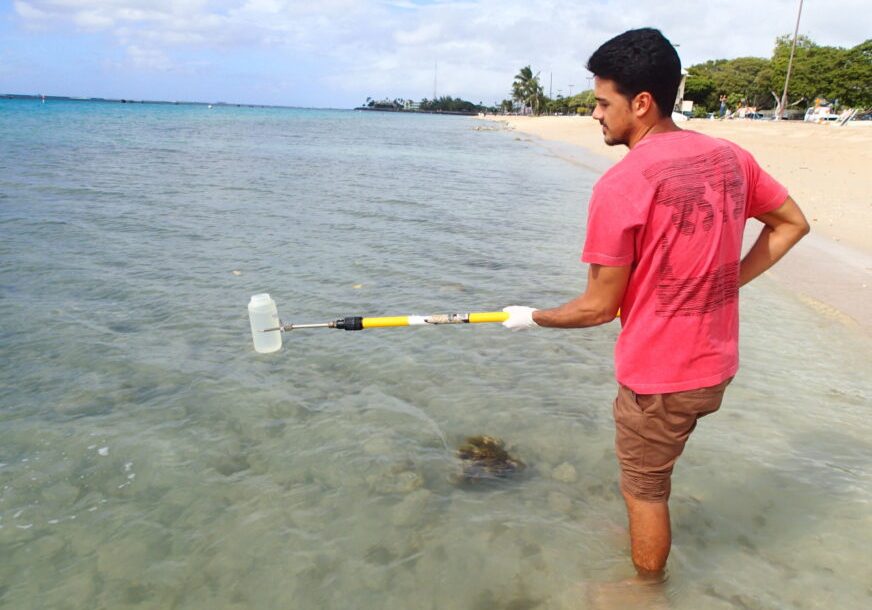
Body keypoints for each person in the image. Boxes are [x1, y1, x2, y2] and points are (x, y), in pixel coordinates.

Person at [501, 28, 809, 581]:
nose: (594, 114)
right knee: (650, 481)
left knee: (644, 492)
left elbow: (597, 308)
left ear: (641, 103)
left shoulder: (622, 184)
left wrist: (531, 317)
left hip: (660, 379)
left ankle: (644, 589)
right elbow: (792, 224)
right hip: (714, 367)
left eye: (602, 101)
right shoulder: (731, 157)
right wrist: (726, 281)